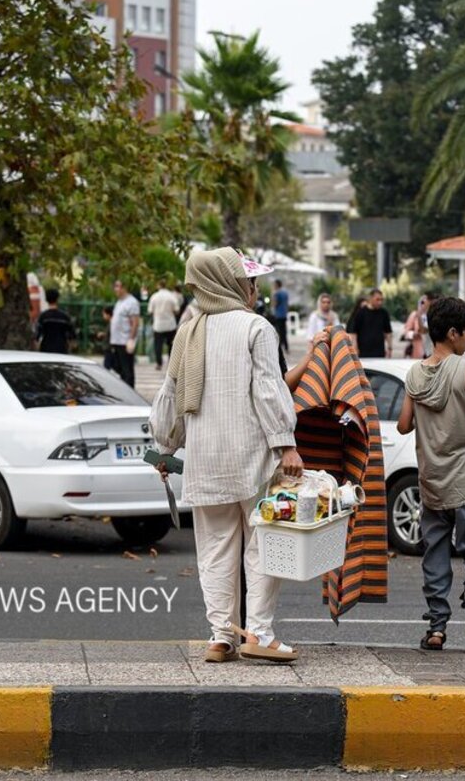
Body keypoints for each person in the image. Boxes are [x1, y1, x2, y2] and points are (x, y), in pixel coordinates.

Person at [150, 247, 304, 664]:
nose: (253, 289)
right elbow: (270, 391)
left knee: (215, 550)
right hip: (253, 459)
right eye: (248, 281)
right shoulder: (255, 328)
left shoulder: (187, 332)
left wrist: (164, 447)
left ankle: (221, 636)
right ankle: (259, 633)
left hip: (205, 461)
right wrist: (286, 444)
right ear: (229, 282)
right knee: (263, 546)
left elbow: (171, 395)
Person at [397, 296, 465, 653]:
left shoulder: (414, 374)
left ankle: (437, 629)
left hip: (432, 482)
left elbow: (402, 425)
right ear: (454, 333)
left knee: (436, 554)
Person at [109, 280, 140, 387]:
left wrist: (131, 340)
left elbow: (135, 322)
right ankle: (125, 390)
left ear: (124, 288)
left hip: (124, 341)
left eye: (117, 286)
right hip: (116, 341)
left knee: (127, 371)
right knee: (118, 367)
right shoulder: (119, 302)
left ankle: (130, 393)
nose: (115, 289)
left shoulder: (131, 302)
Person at [347, 288, 393, 358]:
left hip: (379, 351)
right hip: (363, 351)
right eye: (377, 299)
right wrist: (355, 349)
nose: (380, 302)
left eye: (381, 300)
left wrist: (389, 348)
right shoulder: (361, 313)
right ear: (371, 298)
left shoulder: (384, 313)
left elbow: (388, 332)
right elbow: (353, 333)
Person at [148, 279, 181, 371]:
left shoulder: (154, 297)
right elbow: (177, 310)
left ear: (158, 286)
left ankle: (159, 363)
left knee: (158, 345)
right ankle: (171, 363)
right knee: (171, 345)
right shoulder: (171, 296)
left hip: (158, 325)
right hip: (170, 324)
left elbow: (150, 311)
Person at [35, 288, 76, 354]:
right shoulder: (64, 317)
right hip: (61, 348)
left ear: (46, 299)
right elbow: (72, 336)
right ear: (57, 299)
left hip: (46, 348)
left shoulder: (43, 317)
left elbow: (37, 336)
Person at [402, 295, 428, 360]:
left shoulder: (434, 316)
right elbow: (406, 333)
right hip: (417, 354)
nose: (424, 305)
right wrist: (414, 334)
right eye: (422, 303)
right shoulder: (414, 315)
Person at [271, 279, 290, 351]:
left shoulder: (277, 293)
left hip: (278, 314)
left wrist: (272, 295)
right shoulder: (285, 292)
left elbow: (274, 304)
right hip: (284, 314)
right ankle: (286, 346)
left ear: (276, 285)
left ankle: (280, 346)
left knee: (279, 331)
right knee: (284, 331)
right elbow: (287, 304)